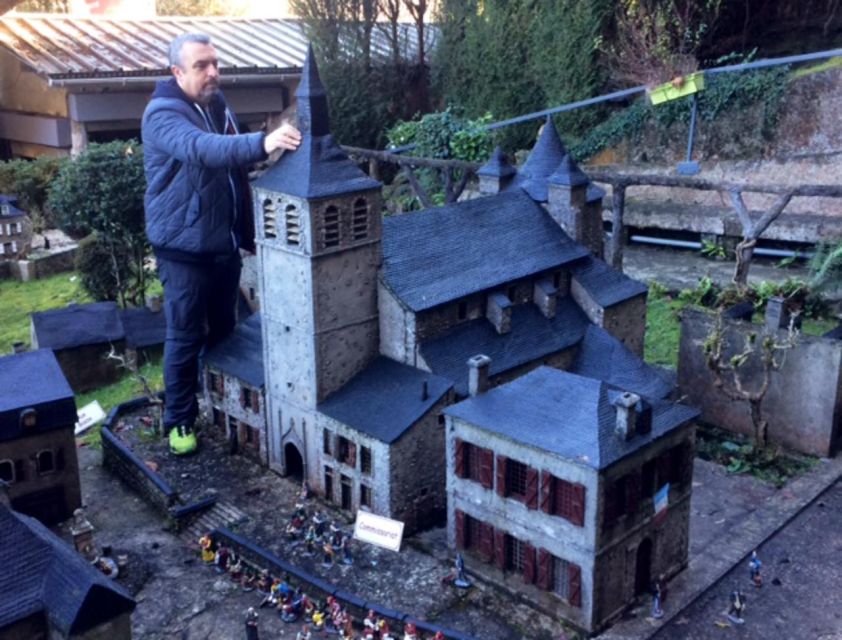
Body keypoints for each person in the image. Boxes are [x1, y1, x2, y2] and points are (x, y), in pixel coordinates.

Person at [142, 32, 301, 455]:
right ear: (177, 72)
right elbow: (203, 149)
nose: (213, 72)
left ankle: (219, 404)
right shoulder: (161, 114)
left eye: (215, 63)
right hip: (184, 250)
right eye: (201, 65)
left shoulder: (216, 104)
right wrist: (261, 142)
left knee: (226, 332)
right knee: (185, 335)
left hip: (222, 245)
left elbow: (232, 170)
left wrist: (245, 234)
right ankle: (178, 421)